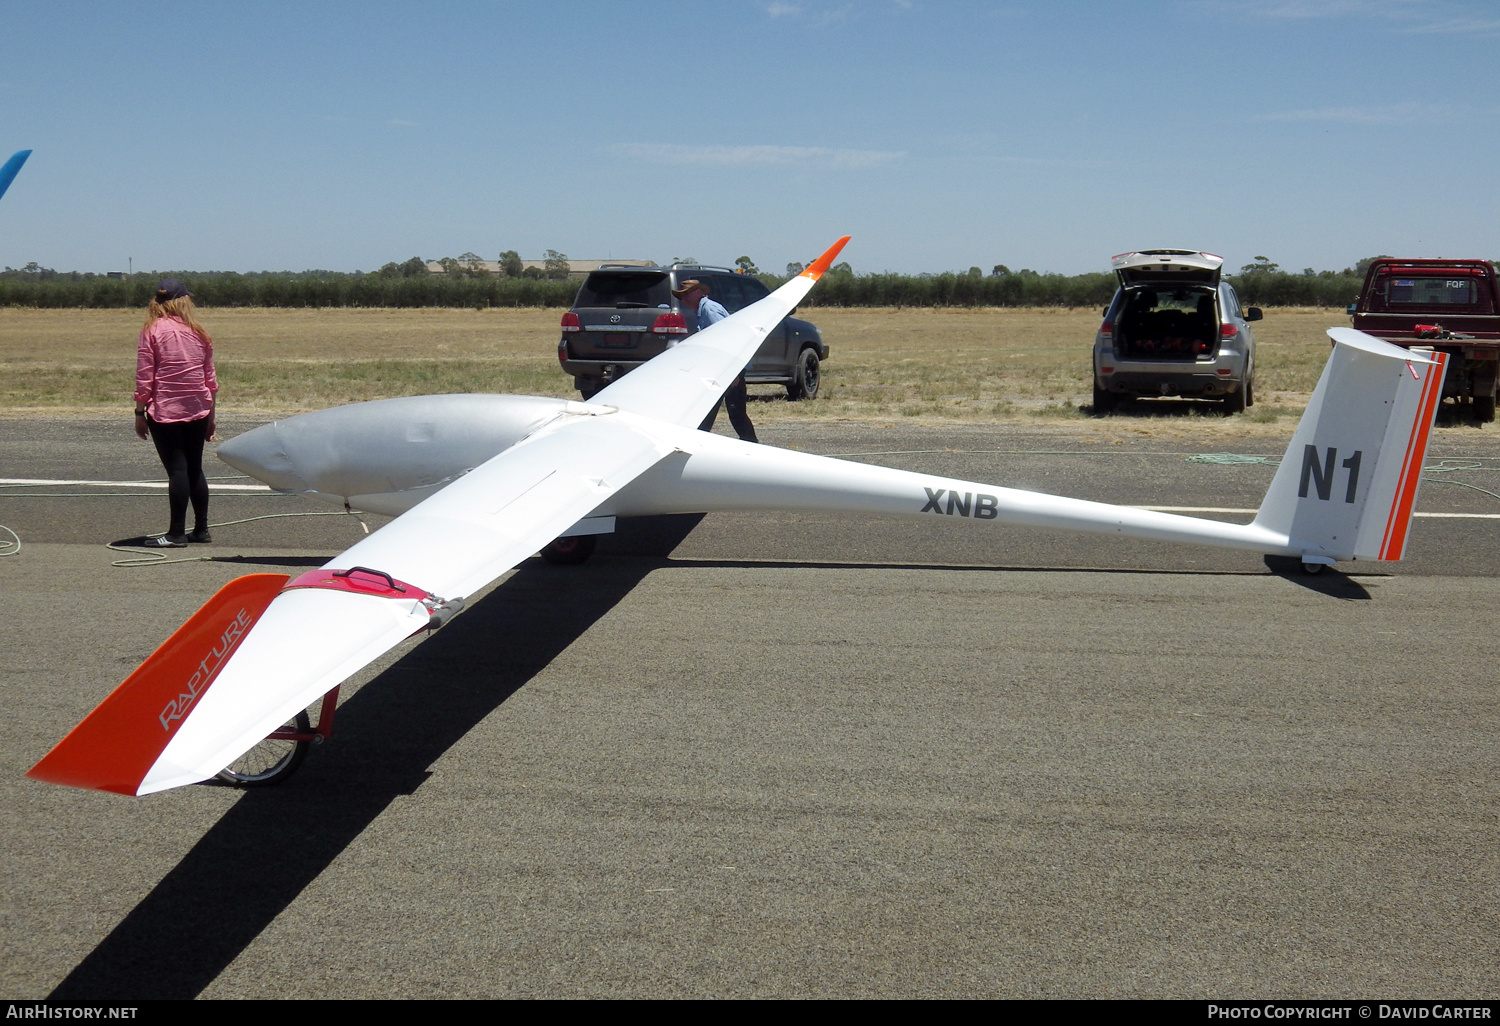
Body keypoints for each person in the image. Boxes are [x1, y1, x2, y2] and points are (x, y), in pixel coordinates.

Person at [134, 278, 217, 547]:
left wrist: (139, 411)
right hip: (199, 408)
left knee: (178, 471)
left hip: (165, 411)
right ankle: (201, 529)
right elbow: (210, 379)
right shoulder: (199, 331)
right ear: (184, 301)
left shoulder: (152, 330)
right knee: (195, 469)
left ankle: (176, 533)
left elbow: (145, 376)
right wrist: (211, 416)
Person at [672, 278, 758, 443]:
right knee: (730, 411)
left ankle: (697, 443)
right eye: (681, 296)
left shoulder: (709, 310)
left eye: (687, 294)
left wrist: (732, 372)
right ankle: (751, 444)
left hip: (728, 368)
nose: (683, 299)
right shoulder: (703, 310)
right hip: (725, 368)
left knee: (714, 409)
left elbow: (726, 340)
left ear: (698, 293)